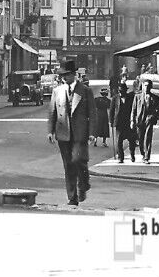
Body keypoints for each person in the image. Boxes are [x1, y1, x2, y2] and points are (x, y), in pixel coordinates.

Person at [47, 58, 93, 205]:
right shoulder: (57, 91)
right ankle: (72, 197)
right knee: (68, 166)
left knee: (79, 161)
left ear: (73, 74)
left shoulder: (85, 91)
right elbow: (52, 112)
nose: (63, 78)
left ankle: (84, 184)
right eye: (62, 75)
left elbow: (92, 113)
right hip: (63, 134)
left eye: (66, 75)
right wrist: (50, 131)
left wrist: (92, 132)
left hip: (80, 133)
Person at [131, 78, 159, 163]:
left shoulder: (155, 98)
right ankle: (143, 153)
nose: (146, 87)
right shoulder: (137, 97)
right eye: (145, 85)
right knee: (140, 139)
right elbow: (133, 109)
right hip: (140, 119)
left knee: (148, 138)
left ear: (151, 87)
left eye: (148, 86)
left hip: (149, 120)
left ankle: (146, 157)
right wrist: (132, 121)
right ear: (142, 86)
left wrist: (154, 115)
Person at [114, 80, 137, 163]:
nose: (121, 93)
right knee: (119, 141)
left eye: (122, 91)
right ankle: (121, 157)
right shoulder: (115, 98)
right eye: (119, 91)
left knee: (131, 140)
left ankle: (132, 155)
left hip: (128, 123)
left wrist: (134, 120)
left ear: (126, 90)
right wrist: (111, 121)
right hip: (119, 123)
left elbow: (134, 109)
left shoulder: (131, 98)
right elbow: (112, 110)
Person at [92, 84, 112, 149]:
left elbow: (94, 107)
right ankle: (104, 142)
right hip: (104, 114)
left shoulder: (97, 99)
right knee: (105, 128)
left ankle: (95, 140)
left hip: (98, 114)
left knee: (97, 127)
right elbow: (109, 108)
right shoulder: (108, 101)